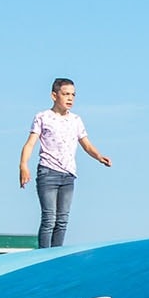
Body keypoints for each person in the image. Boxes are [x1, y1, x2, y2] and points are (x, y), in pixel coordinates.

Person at [17, 78, 111, 247]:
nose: (70, 98)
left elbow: (86, 144)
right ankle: (43, 255)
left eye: (73, 95)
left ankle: (56, 254)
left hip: (68, 175)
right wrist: (23, 165)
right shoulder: (43, 117)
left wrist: (99, 156)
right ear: (54, 95)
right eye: (66, 94)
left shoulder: (76, 120)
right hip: (48, 172)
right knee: (49, 218)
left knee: (62, 219)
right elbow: (30, 143)